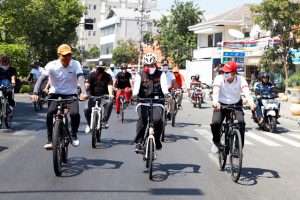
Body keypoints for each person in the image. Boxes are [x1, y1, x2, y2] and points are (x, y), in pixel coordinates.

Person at [31, 44, 88, 150]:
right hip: (55, 93)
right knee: (50, 113)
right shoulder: (51, 65)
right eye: (64, 55)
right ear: (59, 55)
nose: (67, 58)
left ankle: (74, 134)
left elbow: (80, 77)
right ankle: (49, 140)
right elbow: (41, 79)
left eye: (69, 55)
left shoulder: (75, 64)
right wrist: (35, 93)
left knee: (75, 114)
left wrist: (83, 92)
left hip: (71, 93)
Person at [210, 61, 256, 154]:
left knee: (241, 123)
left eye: (227, 72)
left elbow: (246, 92)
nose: (224, 74)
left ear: (234, 73)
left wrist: (251, 103)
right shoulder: (218, 78)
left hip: (236, 104)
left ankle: (238, 148)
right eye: (223, 72)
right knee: (215, 123)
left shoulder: (241, 79)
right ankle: (216, 142)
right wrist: (215, 101)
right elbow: (215, 91)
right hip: (220, 104)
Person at [133, 53, 169, 151]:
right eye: (147, 65)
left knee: (158, 120)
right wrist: (135, 95)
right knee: (142, 119)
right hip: (142, 101)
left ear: (155, 64)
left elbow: (164, 86)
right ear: (144, 65)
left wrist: (166, 94)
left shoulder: (161, 74)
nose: (150, 67)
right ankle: (139, 142)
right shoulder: (139, 74)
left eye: (152, 65)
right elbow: (136, 87)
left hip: (158, 102)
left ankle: (157, 139)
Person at [84, 64, 114, 133]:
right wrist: (84, 90)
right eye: (98, 69)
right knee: (86, 109)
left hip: (104, 96)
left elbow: (109, 85)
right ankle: (89, 124)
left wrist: (110, 94)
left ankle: (104, 121)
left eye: (101, 69)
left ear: (104, 69)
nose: (99, 74)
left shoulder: (108, 76)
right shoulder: (91, 75)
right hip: (92, 96)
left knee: (110, 102)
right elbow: (87, 84)